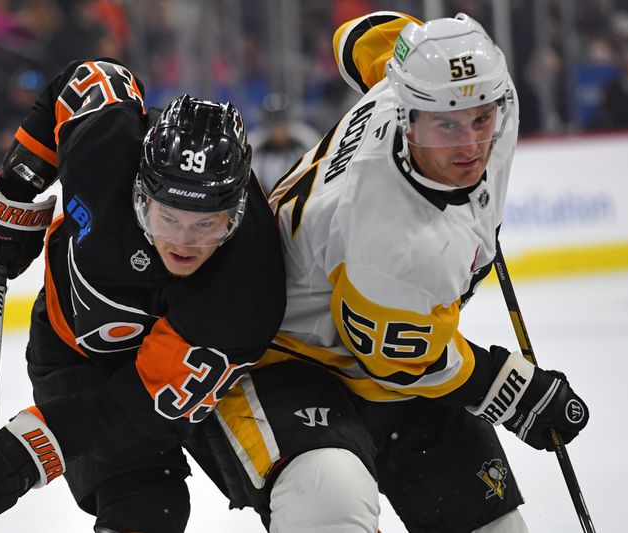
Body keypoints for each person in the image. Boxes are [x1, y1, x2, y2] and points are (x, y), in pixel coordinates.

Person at [209, 12, 590, 533]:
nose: (471, 146)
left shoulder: (434, 88)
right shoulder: (390, 238)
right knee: (328, 503)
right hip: (287, 359)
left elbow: (357, 35)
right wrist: (516, 392)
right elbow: (401, 363)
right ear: (407, 118)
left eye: (481, 119)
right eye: (447, 126)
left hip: (387, 344)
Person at [0, 57, 286, 532]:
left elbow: (131, 410)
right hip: (72, 350)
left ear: (237, 212)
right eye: (169, 218)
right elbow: (81, 79)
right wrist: (17, 186)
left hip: (194, 374)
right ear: (141, 192)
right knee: (145, 507)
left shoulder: (246, 291)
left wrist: (22, 451)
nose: (184, 242)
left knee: (297, 485)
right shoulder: (107, 147)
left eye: (207, 224)